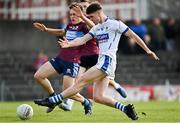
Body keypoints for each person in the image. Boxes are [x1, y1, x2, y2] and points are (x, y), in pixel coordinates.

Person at [34, 2, 159, 120]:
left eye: (91, 17)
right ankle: (126, 109)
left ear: (99, 13)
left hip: (107, 62)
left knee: (80, 81)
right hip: (102, 62)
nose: (91, 19)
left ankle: (52, 100)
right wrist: (69, 44)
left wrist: (147, 50)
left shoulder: (115, 24)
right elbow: (82, 40)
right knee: (98, 97)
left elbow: (133, 35)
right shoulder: (97, 28)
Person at [33, 3, 92, 115]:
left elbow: (94, 28)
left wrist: (84, 17)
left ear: (81, 14)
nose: (72, 16)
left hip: (72, 62)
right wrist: (46, 29)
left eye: (75, 14)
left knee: (68, 92)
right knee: (38, 76)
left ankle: (86, 102)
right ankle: (53, 97)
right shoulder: (70, 25)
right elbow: (62, 32)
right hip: (60, 58)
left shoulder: (85, 26)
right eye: (70, 14)